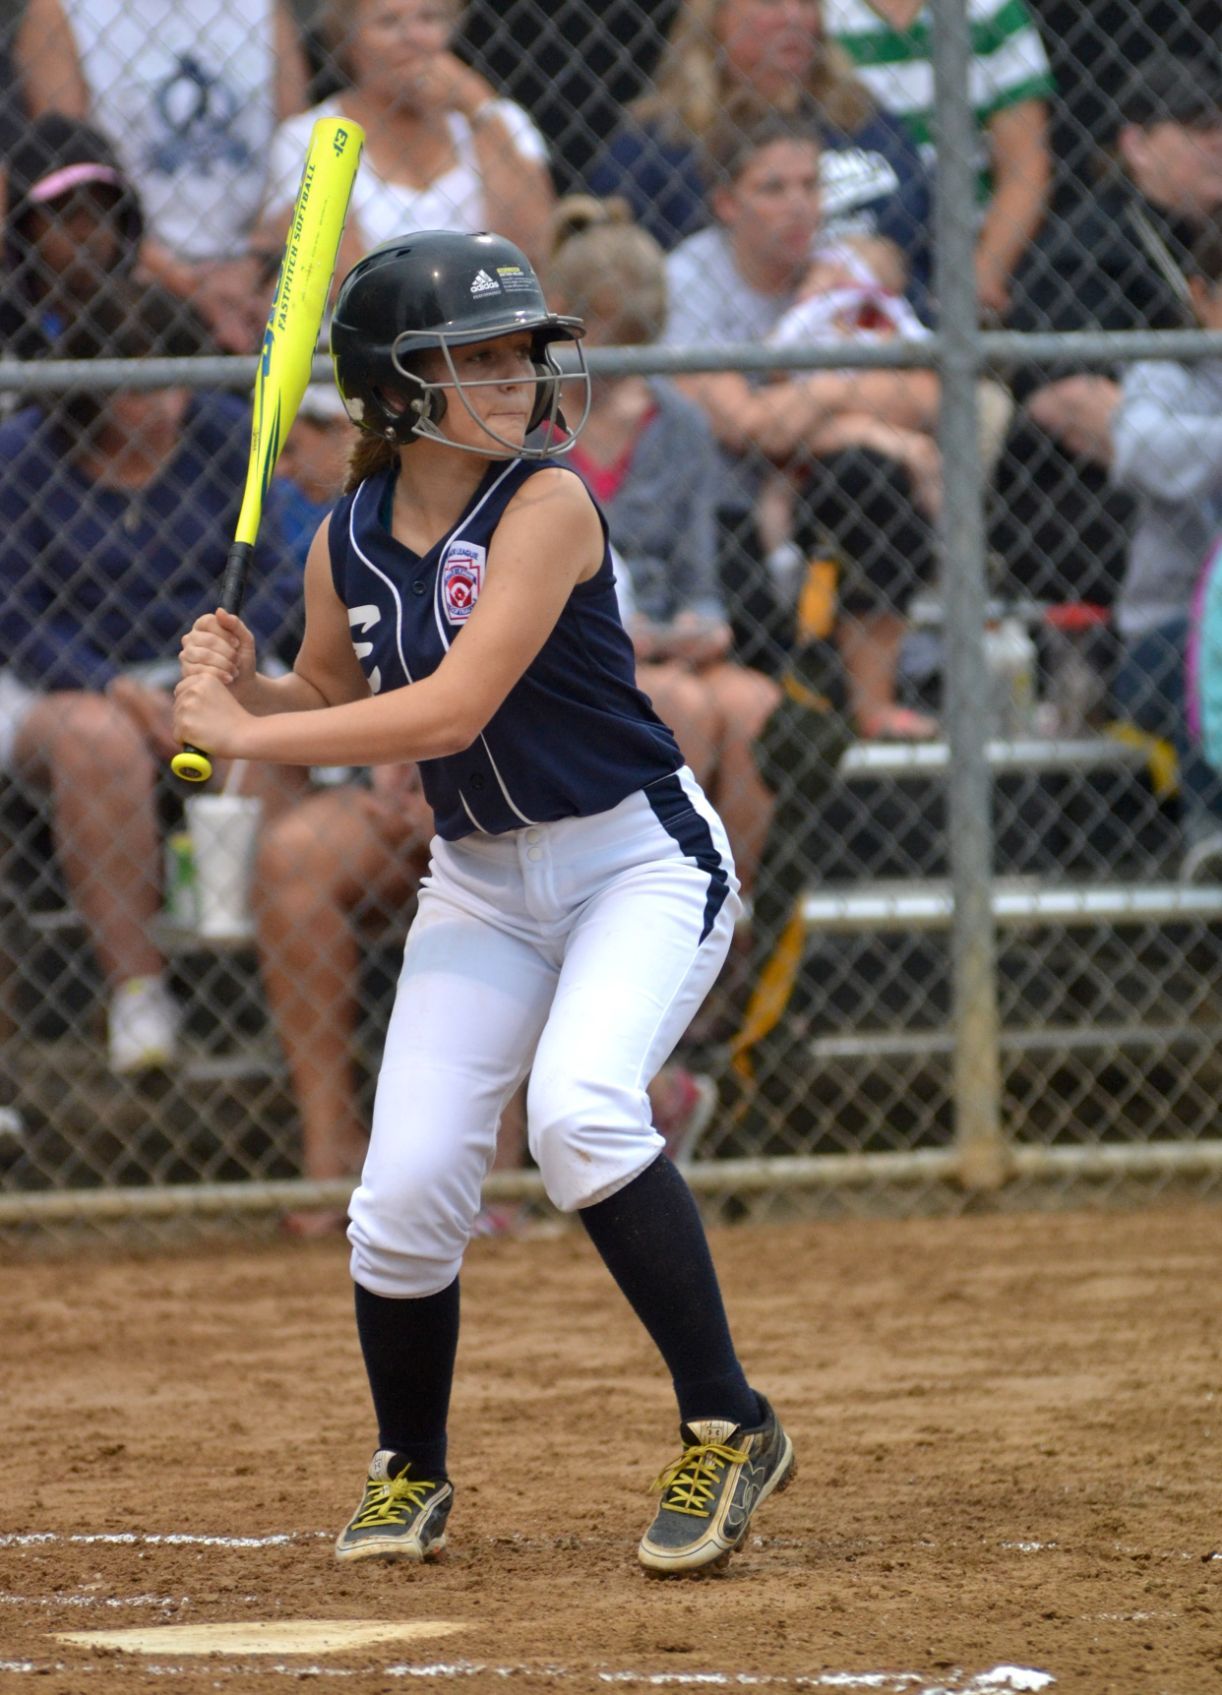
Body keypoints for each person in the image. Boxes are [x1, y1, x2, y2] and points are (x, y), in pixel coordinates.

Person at [175, 227, 795, 1575]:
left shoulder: (547, 505)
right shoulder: (343, 535)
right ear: (394, 388)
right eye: (477, 355)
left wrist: (238, 731)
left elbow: (453, 704)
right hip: (483, 880)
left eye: (521, 349)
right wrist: (247, 682)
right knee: (398, 1193)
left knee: (578, 1111)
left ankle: (728, 1418)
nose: (517, 375)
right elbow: (335, 693)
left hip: (636, 859)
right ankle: (409, 1464)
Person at [0, 281, 306, 1075]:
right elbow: (16, 610)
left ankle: (252, 979)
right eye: (137, 386)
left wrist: (218, 660)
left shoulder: (226, 435)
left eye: (174, 378)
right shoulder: (26, 453)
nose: (162, 406)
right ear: (91, 383)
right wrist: (109, 685)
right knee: (97, 742)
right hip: (60, 676)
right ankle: (140, 994)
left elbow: (277, 577)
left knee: (269, 725)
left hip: (208, 654)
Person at [662, 106, 942, 736]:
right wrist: (861, 412)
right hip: (722, 504)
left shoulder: (845, 271)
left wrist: (817, 399)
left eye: (811, 186)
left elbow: (927, 391)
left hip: (817, 492)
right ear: (728, 203)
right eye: (773, 189)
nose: (800, 206)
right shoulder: (692, 278)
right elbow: (746, 426)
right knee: (866, 452)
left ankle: (872, 704)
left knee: (869, 477)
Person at [994, 54, 1222, 610]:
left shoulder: (1204, 234)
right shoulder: (1086, 246)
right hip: (1082, 494)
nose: (1217, 143)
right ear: (1137, 145)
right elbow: (1067, 403)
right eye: (1197, 129)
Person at [587, 0, 933, 311]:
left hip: (884, 340)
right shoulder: (660, 142)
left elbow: (930, 237)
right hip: (723, 353)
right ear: (714, 16)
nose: (793, 16)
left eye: (807, 3)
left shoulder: (860, 116)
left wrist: (883, 261)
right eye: (770, 3)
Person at [40, 0, 309, 352]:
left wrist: (254, 265)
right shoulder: (63, 10)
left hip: (257, 273)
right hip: (131, 271)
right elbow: (63, 164)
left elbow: (299, 151)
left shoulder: (263, 7)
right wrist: (187, 284)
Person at [257, 0, 554, 279]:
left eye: (428, 18)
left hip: (495, 322)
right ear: (349, 38)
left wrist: (478, 107)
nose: (413, 37)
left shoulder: (497, 117)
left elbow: (532, 251)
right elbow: (341, 276)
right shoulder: (309, 136)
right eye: (388, 22)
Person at [1108, 216, 1222, 871]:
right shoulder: (1167, 370)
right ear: (1202, 296)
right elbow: (1139, 448)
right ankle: (1209, 832)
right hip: (1166, 638)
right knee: (1204, 647)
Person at [825, 0, 1054, 319]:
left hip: (967, 246)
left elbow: (1025, 166)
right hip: (851, 252)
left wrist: (979, 277)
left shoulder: (991, 9)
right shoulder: (819, 12)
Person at [0, 111, 143, 360]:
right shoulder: (7, 325)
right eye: (66, 215)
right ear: (25, 226)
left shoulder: (146, 320)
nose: (86, 234)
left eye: (101, 215)